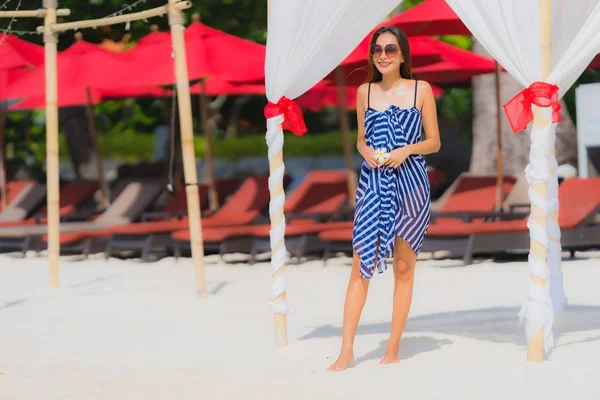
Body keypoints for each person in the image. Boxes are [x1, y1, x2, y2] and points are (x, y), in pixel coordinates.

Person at [328, 26, 441, 371]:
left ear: (403, 55)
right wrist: (367, 153)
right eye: (377, 49)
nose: (383, 55)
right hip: (374, 182)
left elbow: (434, 142)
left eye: (390, 49)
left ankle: (392, 348)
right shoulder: (364, 91)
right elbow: (362, 139)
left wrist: (405, 150)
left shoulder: (421, 90)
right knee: (359, 266)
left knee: (404, 269)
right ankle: (346, 350)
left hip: (411, 183)